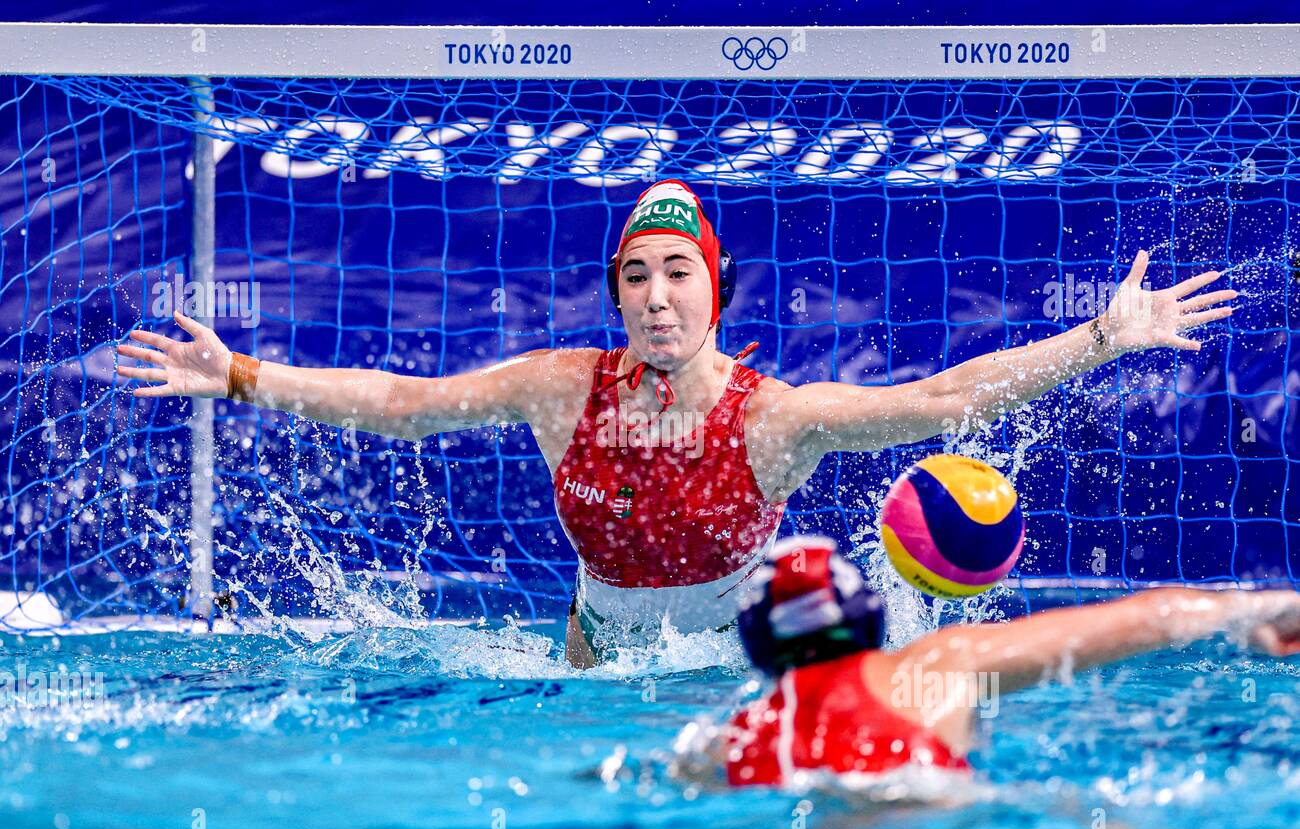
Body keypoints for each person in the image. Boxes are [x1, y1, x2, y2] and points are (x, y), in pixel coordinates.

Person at [114, 179, 1238, 667]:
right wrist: (243, 375)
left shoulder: (775, 421)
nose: (656, 295)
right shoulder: (563, 389)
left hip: (724, 665)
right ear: (618, 295)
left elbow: (944, 398)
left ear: (714, 288)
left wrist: (1102, 334)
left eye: (677, 275)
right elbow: (406, 406)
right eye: (636, 276)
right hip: (591, 661)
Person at [702, 537, 1300, 788]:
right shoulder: (935, 665)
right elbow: (1160, 615)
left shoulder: (728, 742)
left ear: (757, 643)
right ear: (868, 613)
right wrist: (1258, 613)